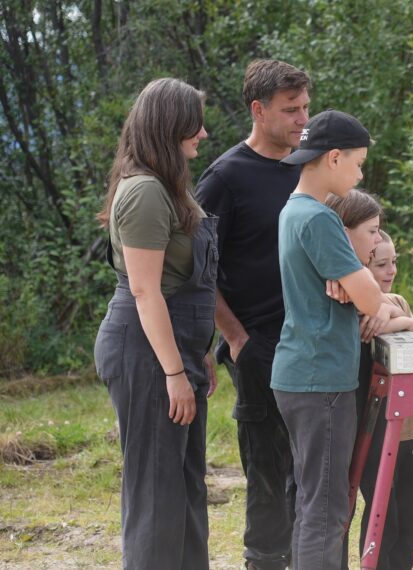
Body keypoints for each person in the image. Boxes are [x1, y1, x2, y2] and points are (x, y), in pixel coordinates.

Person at [93, 77, 216, 570]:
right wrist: (172, 372)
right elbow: (145, 291)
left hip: (173, 345)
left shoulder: (167, 185)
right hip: (145, 351)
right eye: (194, 122)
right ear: (168, 126)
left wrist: (196, 351)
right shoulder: (144, 191)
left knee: (184, 485)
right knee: (156, 492)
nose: (204, 133)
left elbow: (176, 284)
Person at [195, 59, 310, 570]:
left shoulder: (306, 165)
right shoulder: (224, 177)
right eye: (290, 110)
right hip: (259, 343)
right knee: (267, 467)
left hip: (315, 340)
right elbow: (199, 272)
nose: (301, 120)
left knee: (311, 470)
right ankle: (264, 562)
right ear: (258, 110)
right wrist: (236, 339)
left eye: (306, 107)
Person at [272, 110, 393, 570]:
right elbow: (369, 298)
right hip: (321, 378)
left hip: (302, 373)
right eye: (359, 163)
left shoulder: (292, 210)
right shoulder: (320, 219)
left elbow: (363, 291)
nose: (361, 173)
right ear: (335, 157)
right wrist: (362, 285)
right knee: (326, 510)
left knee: (314, 504)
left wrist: (358, 284)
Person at [323, 196, 413, 569]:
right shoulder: (351, 302)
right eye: (379, 264)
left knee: (411, 512)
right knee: (380, 512)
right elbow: (371, 325)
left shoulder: (395, 301)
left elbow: (391, 317)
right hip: (374, 425)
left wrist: (396, 316)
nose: (389, 271)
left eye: (393, 263)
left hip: (409, 427)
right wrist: (411, 323)